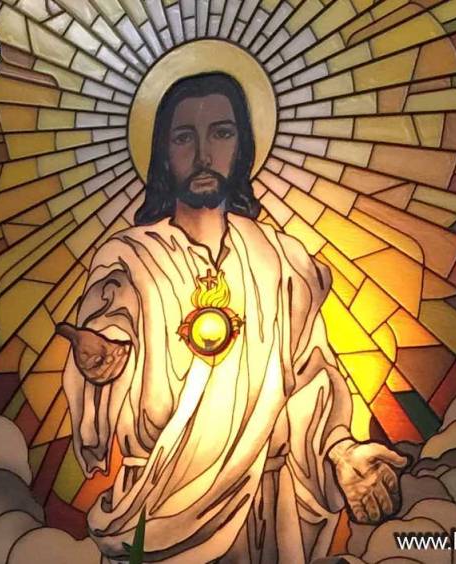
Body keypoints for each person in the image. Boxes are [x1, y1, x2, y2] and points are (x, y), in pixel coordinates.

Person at [57, 73, 408, 563]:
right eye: (185, 137)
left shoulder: (281, 260)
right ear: (163, 153)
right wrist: (101, 361)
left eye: (221, 133)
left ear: (243, 146)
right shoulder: (131, 259)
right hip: (159, 504)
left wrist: (340, 451)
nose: (204, 154)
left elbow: (311, 376)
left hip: (267, 509)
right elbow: (108, 326)